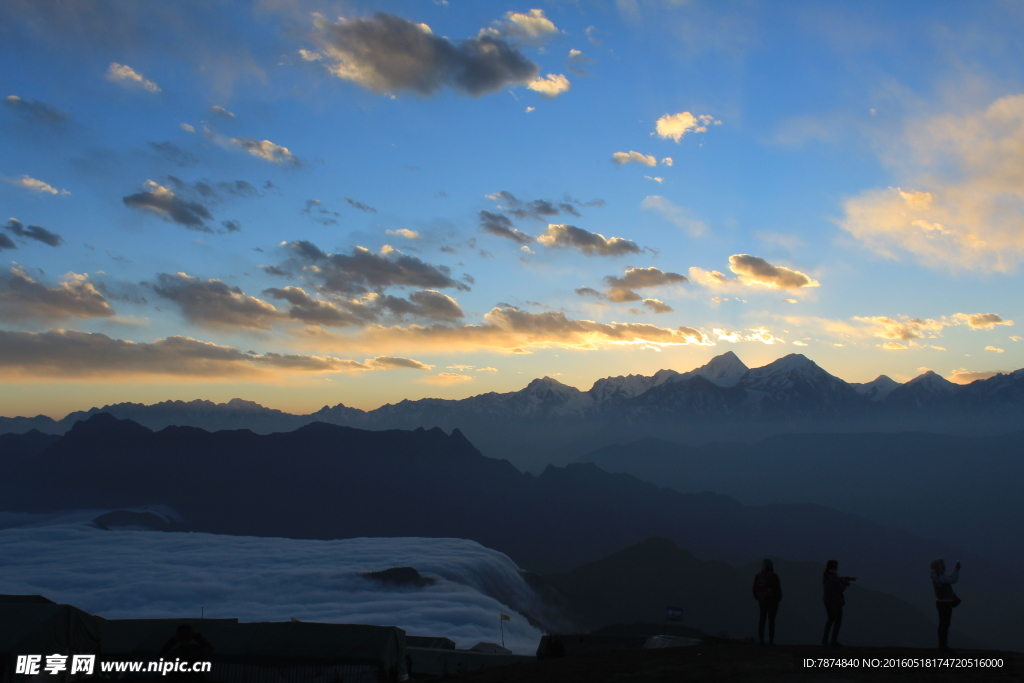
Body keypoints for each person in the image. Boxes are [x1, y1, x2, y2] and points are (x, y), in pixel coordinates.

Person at [822, 559, 856, 647]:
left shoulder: (827, 575)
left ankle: (825, 640)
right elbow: (840, 589)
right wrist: (845, 582)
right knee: (838, 621)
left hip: (827, 600)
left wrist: (844, 579)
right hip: (835, 601)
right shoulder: (833, 577)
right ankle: (833, 641)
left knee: (830, 620)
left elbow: (835, 580)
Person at [930, 558, 961, 651]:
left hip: (940, 603)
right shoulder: (941, 577)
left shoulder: (936, 576)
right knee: (945, 624)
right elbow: (953, 579)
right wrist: (957, 570)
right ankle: (943, 645)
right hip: (945, 604)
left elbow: (949, 579)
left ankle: (942, 645)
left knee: (942, 624)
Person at [752, 558, 782, 646]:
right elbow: (778, 590)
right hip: (772, 603)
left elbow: (754, 589)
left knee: (762, 620)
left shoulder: (758, 576)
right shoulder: (774, 576)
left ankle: (761, 639)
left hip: (762, 601)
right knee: (771, 620)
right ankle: (771, 640)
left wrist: (758, 597)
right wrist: (778, 599)